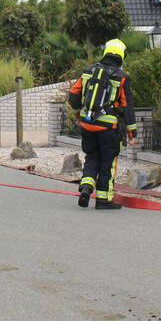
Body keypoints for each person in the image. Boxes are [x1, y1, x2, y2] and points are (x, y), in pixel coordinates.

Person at [67, 38, 137, 210]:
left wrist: (78, 114)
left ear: (105, 52)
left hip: (87, 124)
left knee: (91, 157)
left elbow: (74, 93)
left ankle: (86, 187)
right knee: (108, 162)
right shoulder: (122, 77)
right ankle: (103, 200)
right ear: (121, 56)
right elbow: (127, 105)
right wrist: (132, 133)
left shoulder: (88, 71)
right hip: (108, 128)